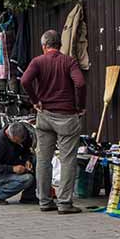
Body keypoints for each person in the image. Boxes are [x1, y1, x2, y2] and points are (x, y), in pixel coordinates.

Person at [20, 29, 86, 214]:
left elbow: (25, 80)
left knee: (43, 159)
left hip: (45, 115)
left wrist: (35, 100)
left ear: (44, 46)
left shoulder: (38, 61)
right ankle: (64, 203)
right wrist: (80, 105)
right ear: (60, 45)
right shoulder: (69, 61)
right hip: (67, 116)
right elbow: (80, 83)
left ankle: (44, 200)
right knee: (67, 160)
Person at [0, 122, 38, 205]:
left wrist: (27, 160)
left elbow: (26, 150)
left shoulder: (23, 133)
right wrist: (13, 169)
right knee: (28, 179)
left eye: (21, 141)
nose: (19, 143)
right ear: (9, 135)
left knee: (36, 160)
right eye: (17, 141)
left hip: (14, 162)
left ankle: (29, 196)